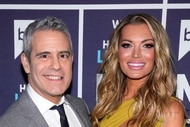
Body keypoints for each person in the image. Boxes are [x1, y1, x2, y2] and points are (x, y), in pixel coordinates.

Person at [91, 13, 186, 127]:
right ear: (116, 51)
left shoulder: (171, 109)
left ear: (158, 52)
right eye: (127, 45)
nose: (136, 54)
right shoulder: (108, 103)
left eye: (147, 45)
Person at [0, 17, 92, 127]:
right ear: (26, 63)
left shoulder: (80, 106)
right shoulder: (10, 123)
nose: (56, 65)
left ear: (72, 59)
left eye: (63, 56)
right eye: (44, 56)